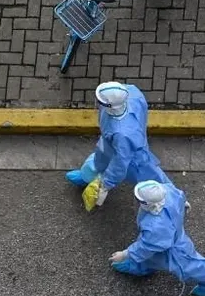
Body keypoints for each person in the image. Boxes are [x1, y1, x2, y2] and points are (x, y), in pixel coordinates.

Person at [109, 180, 205, 296]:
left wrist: (126, 253)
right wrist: (183, 203)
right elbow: (179, 195)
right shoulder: (167, 191)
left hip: (174, 250)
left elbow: (147, 245)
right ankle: (141, 265)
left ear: (146, 203)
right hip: (170, 239)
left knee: (190, 266)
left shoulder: (155, 226)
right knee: (153, 257)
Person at [65, 81, 171, 212]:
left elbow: (119, 164)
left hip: (135, 157)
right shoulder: (132, 92)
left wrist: (106, 184)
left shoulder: (123, 135)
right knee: (98, 160)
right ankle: (86, 176)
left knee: (153, 179)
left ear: (110, 105)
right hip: (108, 144)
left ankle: (171, 198)